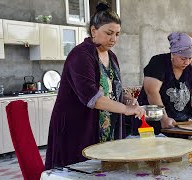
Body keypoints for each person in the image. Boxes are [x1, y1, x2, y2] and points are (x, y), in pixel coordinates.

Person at [45, 2, 145, 170]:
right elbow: (93, 98)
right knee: (80, 171)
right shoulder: (81, 55)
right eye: (109, 33)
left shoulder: (112, 56)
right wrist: (125, 109)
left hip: (106, 130)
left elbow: (113, 90)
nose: (114, 39)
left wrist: (128, 100)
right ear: (93, 31)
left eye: (117, 34)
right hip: (78, 129)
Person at [133, 32, 192, 136]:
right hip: (153, 125)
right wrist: (164, 118)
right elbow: (152, 92)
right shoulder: (158, 63)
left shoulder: (191, 71)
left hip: (180, 127)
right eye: (183, 58)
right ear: (173, 54)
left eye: (190, 58)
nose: (187, 62)